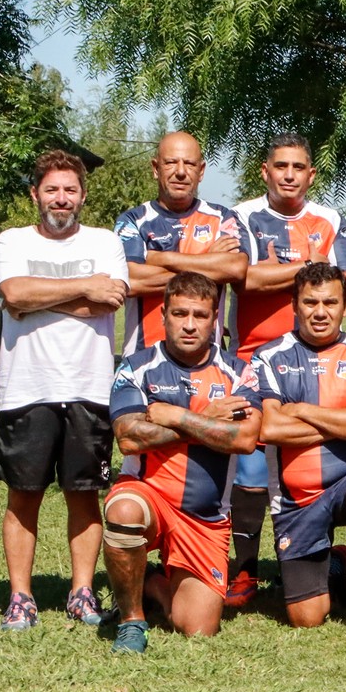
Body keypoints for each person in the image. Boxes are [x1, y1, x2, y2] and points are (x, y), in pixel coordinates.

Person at [0, 150, 131, 631]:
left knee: (83, 495)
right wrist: (82, 286)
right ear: (35, 194)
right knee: (23, 496)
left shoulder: (105, 241)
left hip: (88, 388)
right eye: (52, 189)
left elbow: (108, 301)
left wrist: (40, 299)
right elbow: (13, 296)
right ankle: (21, 596)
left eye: (70, 189)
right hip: (26, 389)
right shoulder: (10, 241)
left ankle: (82, 592)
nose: (61, 198)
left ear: (83, 196)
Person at [102, 273, 260, 651]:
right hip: (149, 497)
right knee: (124, 510)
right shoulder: (135, 367)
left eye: (200, 315)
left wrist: (177, 415)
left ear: (215, 319)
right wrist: (208, 417)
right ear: (163, 314)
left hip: (203, 517)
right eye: (180, 313)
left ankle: (153, 581)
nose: (189, 324)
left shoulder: (239, 373)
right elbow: (128, 438)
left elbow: (245, 438)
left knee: (197, 628)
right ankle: (131, 621)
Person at [227, 135, 346, 606]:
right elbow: (244, 277)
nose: (289, 175)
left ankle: (315, 561)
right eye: (281, 165)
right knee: (252, 473)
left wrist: (285, 270)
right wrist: (308, 266)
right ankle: (244, 571)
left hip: (317, 359)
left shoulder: (330, 219)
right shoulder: (241, 216)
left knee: (311, 469)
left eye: (299, 167)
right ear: (265, 170)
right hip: (253, 357)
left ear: (311, 174)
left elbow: (340, 282)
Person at [245, 263, 346, 641]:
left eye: (330, 302)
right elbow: (269, 428)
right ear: (294, 304)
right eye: (310, 302)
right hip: (296, 499)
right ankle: (336, 565)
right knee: (307, 618)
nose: (320, 312)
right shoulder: (267, 357)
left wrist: (300, 410)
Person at [113, 130, 245, 357]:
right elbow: (131, 280)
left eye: (190, 164)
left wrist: (159, 258)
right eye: (171, 163)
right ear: (156, 168)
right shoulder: (132, 220)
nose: (181, 172)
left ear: (201, 171)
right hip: (143, 360)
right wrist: (208, 262)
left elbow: (235, 268)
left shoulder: (222, 217)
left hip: (208, 363)